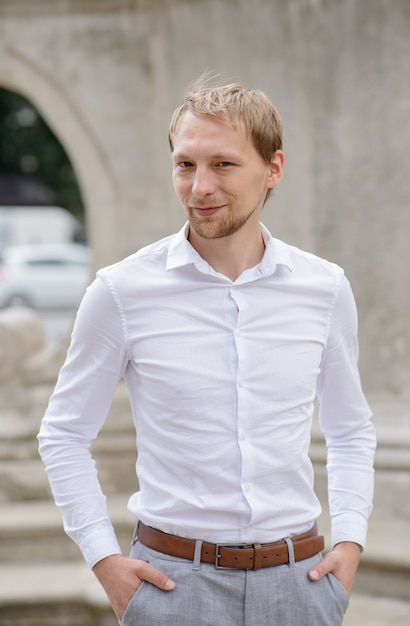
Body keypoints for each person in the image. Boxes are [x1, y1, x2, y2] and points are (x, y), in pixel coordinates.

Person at [38, 77, 376, 626]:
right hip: (173, 588)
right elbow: (64, 433)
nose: (199, 187)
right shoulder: (120, 292)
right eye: (185, 165)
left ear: (273, 170)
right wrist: (105, 560)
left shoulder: (326, 288)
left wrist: (352, 541)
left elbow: (350, 430)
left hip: (301, 586)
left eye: (223, 165)